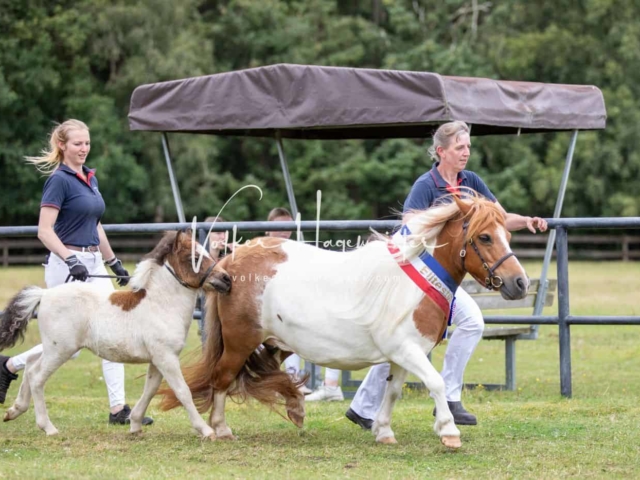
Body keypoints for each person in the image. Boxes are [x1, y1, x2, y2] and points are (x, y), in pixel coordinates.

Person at [345, 120, 547, 429]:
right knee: (411, 338)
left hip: (446, 281)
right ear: (441, 151)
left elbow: (500, 219)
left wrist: (527, 220)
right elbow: (409, 225)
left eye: (468, 147)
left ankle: (424, 399)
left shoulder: (472, 181)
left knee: (448, 328)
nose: (466, 152)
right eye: (459, 147)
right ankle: (373, 406)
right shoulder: (426, 185)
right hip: (421, 277)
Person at [0, 119, 153, 426]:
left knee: (113, 334)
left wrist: (113, 262)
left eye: (87, 143)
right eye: (77, 144)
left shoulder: (89, 178)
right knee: (68, 347)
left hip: (92, 264)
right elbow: (44, 231)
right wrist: (70, 258)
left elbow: (95, 224)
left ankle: (118, 409)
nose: (83, 149)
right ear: (62, 145)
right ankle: (10, 367)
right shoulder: (59, 180)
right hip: (66, 268)